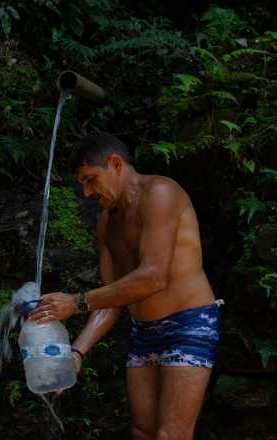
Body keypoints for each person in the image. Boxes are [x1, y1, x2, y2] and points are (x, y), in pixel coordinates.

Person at [28, 130, 221, 440]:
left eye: (90, 179)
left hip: (188, 324)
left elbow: (153, 277)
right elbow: (111, 298)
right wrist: (77, 353)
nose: (87, 193)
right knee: (142, 431)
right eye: (82, 184)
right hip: (144, 332)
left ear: (115, 164)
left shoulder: (160, 193)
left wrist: (75, 302)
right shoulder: (107, 222)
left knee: (171, 434)